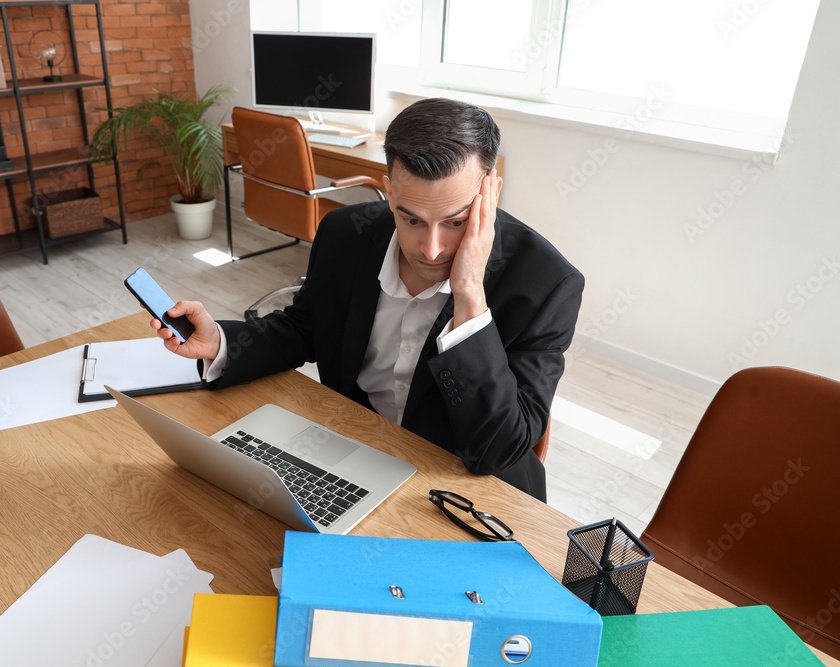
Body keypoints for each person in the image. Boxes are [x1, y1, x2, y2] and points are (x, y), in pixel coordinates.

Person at [151, 98, 584, 501]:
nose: (430, 248)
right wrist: (222, 343)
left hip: (464, 489)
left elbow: (499, 450)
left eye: (455, 222)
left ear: (489, 192)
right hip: (353, 456)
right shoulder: (346, 233)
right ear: (389, 192)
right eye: (411, 218)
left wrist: (469, 295)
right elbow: (304, 329)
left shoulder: (547, 283)